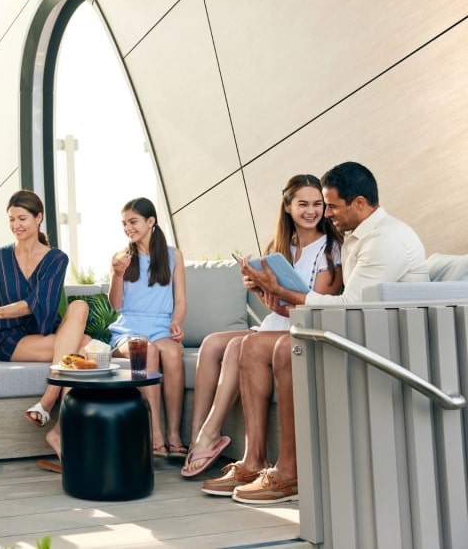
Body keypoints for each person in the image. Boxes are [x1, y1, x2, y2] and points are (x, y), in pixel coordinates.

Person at [224, 162, 428, 504]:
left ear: (359, 203)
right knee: (258, 345)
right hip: (363, 328)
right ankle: (256, 459)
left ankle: (290, 473)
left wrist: (283, 290)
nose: (326, 213)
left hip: (388, 342)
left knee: (287, 348)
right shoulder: (358, 236)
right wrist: (272, 291)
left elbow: (347, 305)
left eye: (331, 205)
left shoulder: (384, 240)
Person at [181, 174, 343, 479]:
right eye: (303, 204)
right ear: (288, 208)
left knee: (236, 346)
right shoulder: (281, 247)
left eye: (318, 204)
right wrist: (258, 288)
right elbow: (278, 305)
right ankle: (198, 434)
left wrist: (275, 298)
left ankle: (211, 433)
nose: (311, 211)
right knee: (213, 342)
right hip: (277, 320)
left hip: (300, 323)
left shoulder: (331, 250)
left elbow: (316, 307)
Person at [0, 189, 90, 468]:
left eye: (22, 218)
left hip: (47, 332)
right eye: (11, 219)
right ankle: (58, 429)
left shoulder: (56, 258)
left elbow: (39, 304)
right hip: (14, 340)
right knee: (84, 349)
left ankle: (51, 410)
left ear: (39, 218)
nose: (16, 225)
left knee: (80, 307)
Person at [107, 197, 187, 459]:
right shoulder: (120, 258)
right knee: (147, 351)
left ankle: (174, 434)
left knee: (173, 353)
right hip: (128, 329)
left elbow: (181, 300)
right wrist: (117, 275)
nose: (128, 228)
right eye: (124, 224)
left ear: (150, 221)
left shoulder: (173, 255)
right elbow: (116, 305)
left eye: (133, 222)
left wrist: (176, 322)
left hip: (162, 326)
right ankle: (154, 433)